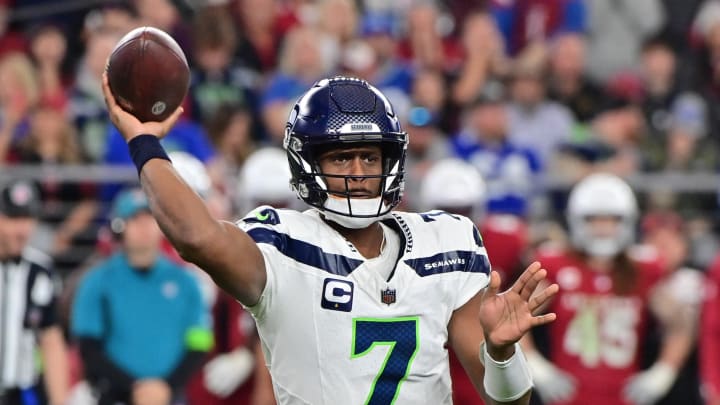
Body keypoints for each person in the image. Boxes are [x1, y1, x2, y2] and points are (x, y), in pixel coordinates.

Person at [102, 74, 559, 404]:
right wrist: (144, 143)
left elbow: (507, 403)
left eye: (368, 156)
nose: (358, 174)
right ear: (309, 164)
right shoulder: (282, 243)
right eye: (341, 159)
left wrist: (501, 354)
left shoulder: (448, 242)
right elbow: (196, 238)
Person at [522, 173, 696, 405]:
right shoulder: (556, 264)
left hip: (624, 397)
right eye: (594, 219)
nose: (603, 228)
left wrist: (663, 372)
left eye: (613, 219)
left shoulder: (643, 268)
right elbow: (516, 319)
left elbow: (682, 324)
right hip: (567, 397)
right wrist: (536, 367)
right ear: (576, 221)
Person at [70, 188, 212, 405]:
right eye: (135, 219)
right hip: (115, 396)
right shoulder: (98, 281)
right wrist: (134, 388)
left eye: (150, 219)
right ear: (121, 227)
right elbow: (88, 347)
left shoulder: (186, 281)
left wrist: (166, 387)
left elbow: (200, 342)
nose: (144, 227)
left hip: (171, 397)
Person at [0, 179, 69, 405]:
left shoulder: (41, 271)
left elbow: (51, 340)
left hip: (21, 392)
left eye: (27, 219)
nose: (22, 230)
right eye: (13, 218)